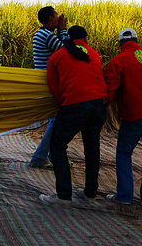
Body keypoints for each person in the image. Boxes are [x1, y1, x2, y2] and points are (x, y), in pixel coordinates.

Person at [39, 25, 108, 205]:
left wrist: (65, 104)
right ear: (84, 39)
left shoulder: (57, 56)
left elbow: (54, 87)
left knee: (57, 145)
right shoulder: (94, 54)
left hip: (76, 104)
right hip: (99, 104)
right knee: (92, 148)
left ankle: (64, 195)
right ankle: (90, 194)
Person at [104, 28, 142, 206]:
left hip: (135, 112)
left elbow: (110, 90)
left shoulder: (118, 60)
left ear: (120, 43)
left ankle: (125, 196)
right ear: (137, 41)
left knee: (124, 152)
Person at [29, 6, 68, 168]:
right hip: (50, 82)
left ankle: (53, 156)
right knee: (55, 119)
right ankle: (40, 157)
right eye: (56, 14)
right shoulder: (47, 35)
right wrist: (63, 30)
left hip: (45, 80)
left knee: (56, 119)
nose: (59, 17)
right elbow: (66, 50)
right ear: (51, 18)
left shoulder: (41, 34)